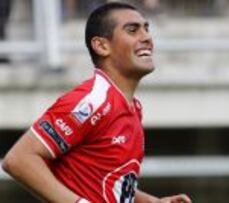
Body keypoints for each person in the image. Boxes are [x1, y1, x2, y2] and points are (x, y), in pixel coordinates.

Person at [2, 2, 192, 203]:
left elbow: (110, 184)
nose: (146, 37)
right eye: (132, 30)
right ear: (101, 46)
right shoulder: (93, 101)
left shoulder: (131, 107)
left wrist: (153, 202)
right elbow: (19, 160)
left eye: (146, 29)